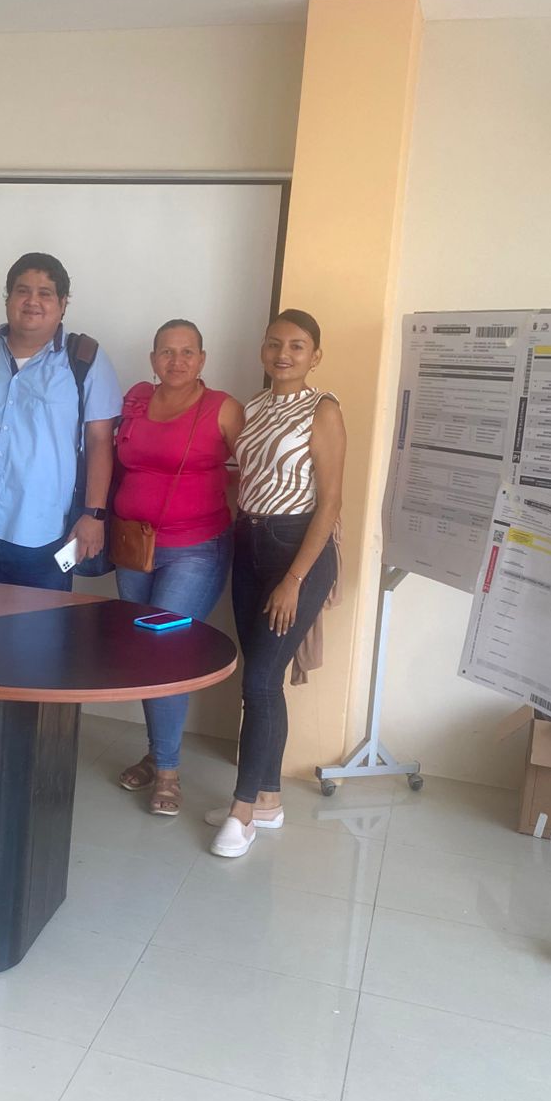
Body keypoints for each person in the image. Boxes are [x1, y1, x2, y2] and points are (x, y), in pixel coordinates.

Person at [206, 309, 345, 859]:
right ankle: (268, 799)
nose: (283, 354)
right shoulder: (256, 407)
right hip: (250, 544)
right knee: (264, 679)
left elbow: (330, 504)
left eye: (296, 345)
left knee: (259, 682)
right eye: (274, 344)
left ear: (316, 355)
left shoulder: (323, 409)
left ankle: (241, 812)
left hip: (297, 551)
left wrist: (294, 580)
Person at [112, 320, 243, 816]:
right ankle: (155, 754)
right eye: (167, 352)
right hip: (134, 547)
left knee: (162, 649)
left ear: (203, 359)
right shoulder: (136, 400)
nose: (177, 361)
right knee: (147, 655)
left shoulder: (222, 408)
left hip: (196, 549)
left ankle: (167, 771)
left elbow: (254, 471)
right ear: (153, 359)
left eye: (188, 352)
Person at [0, 252, 120, 590]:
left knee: (40, 623)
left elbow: (99, 441)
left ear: (63, 304)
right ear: (8, 298)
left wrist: (94, 515)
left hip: (45, 533)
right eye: (22, 291)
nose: (32, 301)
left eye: (45, 293)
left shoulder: (84, 358)